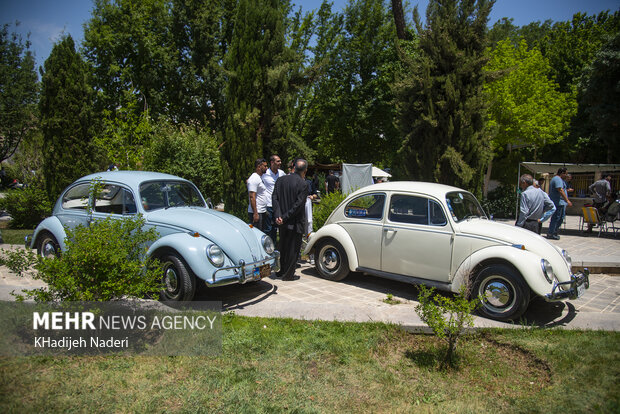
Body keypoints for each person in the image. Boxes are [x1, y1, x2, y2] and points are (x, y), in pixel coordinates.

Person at [273, 158, 308, 280]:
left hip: (281, 221)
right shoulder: (303, 184)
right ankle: (288, 274)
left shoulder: (280, 180)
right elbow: (298, 205)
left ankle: (280, 271)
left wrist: (278, 215)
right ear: (305, 170)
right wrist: (285, 217)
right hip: (295, 221)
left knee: (283, 246)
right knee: (293, 249)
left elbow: (275, 198)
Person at [262, 155, 286, 242]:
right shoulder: (265, 174)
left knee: (276, 228)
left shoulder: (282, 173)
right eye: (278, 161)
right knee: (268, 228)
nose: (280, 163)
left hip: (278, 205)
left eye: (280, 161)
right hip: (268, 204)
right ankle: (267, 247)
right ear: (272, 162)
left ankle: (274, 247)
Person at [547, 167, 572, 240]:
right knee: (556, 218)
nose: (566, 176)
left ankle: (554, 231)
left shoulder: (559, 180)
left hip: (561, 202)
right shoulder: (557, 179)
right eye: (566, 174)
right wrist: (567, 200)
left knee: (560, 218)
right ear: (562, 173)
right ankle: (551, 233)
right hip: (558, 202)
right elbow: (560, 190)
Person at [247, 158, 268, 230]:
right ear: (259, 166)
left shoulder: (260, 178)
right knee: (257, 233)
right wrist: (255, 213)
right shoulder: (254, 179)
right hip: (257, 212)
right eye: (265, 166)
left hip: (261, 211)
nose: (266, 168)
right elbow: (252, 197)